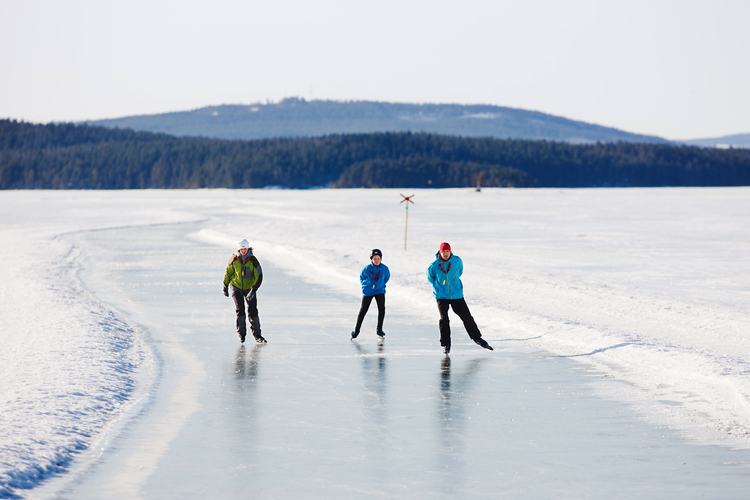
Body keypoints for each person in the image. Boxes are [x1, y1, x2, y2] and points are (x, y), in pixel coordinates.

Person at [426, 242, 493, 355]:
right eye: (444, 252)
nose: (446, 254)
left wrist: (454, 285)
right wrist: (439, 288)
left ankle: (477, 338)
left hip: (456, 294)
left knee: (466, 316)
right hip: (441, 296)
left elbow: (460, 271)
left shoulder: (457, 261)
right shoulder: (433, 266)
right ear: (440, 252)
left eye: (447, 251)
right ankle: (446, 344)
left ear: (450, 251)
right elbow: (430, 278)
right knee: (444, 319)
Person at [223, 239, 266, 344]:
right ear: (239, 249)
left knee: (253, 311)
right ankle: (241, 335)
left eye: (245, 248)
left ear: (248, 248)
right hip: (236, 286)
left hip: (249, 288)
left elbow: (259, 276)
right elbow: (228, 273)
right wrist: (225, 285)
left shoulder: (253, 260)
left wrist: (253, 290)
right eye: (241, 249)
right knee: (240, 310)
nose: (243, 251)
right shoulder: (234, 260)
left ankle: (257, 335)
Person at [351, 249, 390, 340]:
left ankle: (379, 329)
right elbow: (362, 278)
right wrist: (366, 286)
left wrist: (380, 285)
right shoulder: (367, 268)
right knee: (363, 310)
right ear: (371, 259)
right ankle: (356, 331)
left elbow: (387, 278)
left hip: (379, 290)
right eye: (374, 259)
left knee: (381, 309)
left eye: (378, 258)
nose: (376, 260)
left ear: (381, 259)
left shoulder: (384, 268)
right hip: (368, 291)